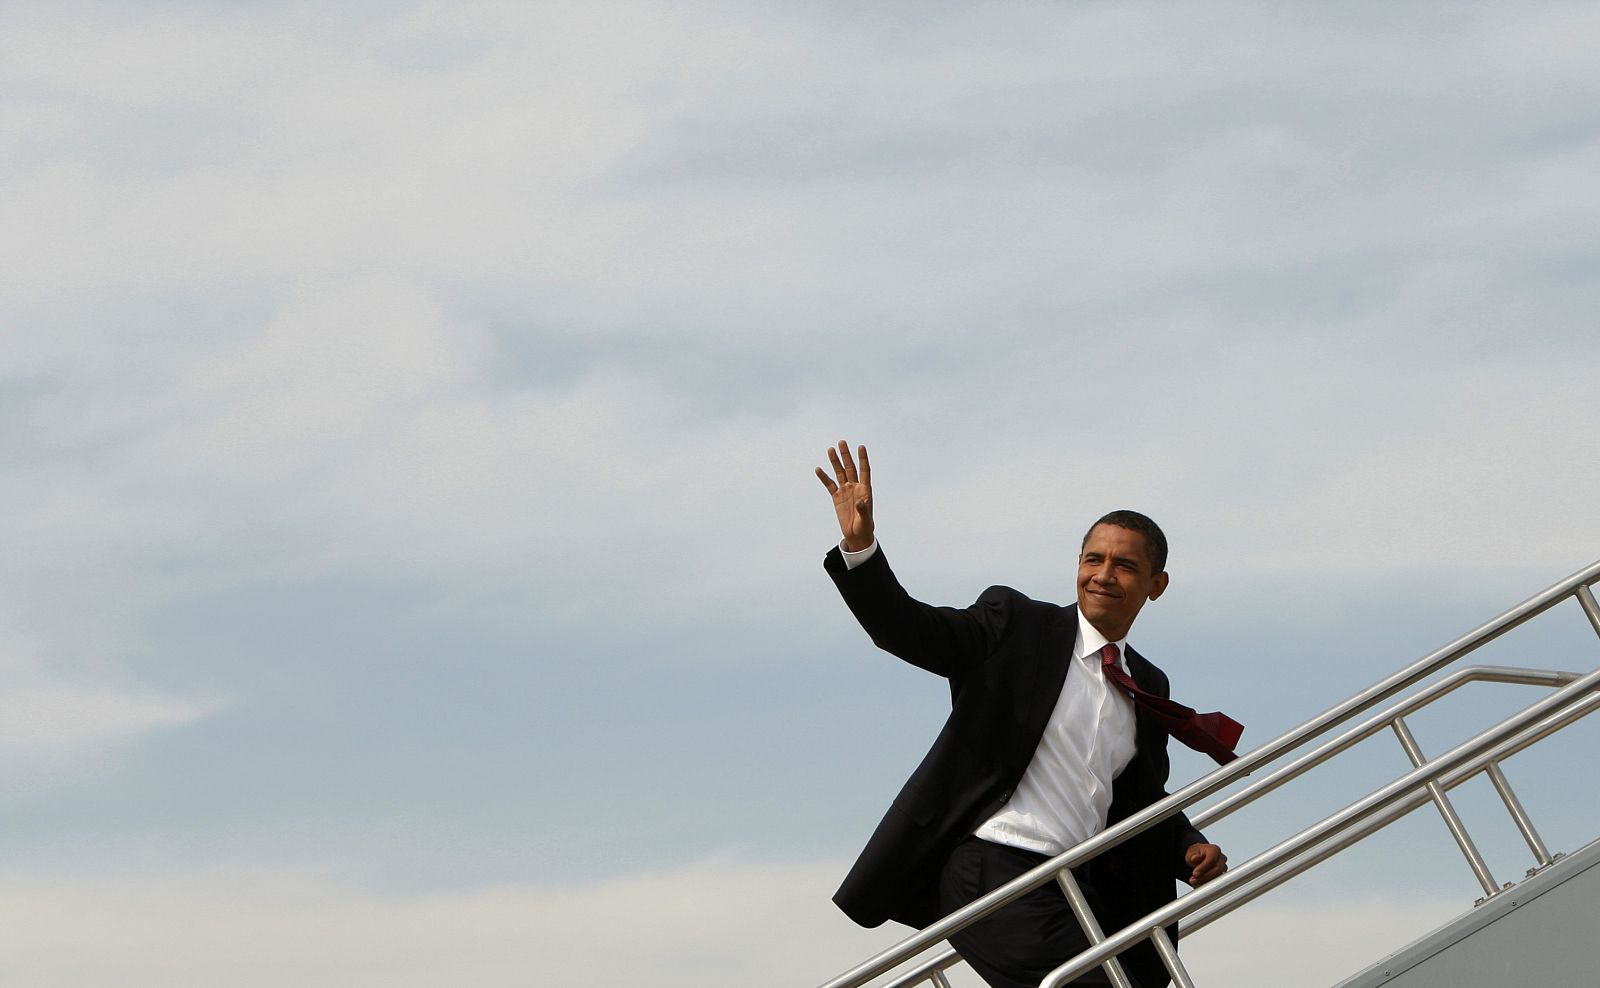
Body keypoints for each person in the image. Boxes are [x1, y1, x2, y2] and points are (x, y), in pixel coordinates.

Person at [815, 440, 1233, 988]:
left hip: (1077, 883)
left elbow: (1138, 797)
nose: (1104, 575)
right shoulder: (1015, 625)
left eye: (1125, 566)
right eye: (1093, 559)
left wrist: (1187, 846)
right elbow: (910, 630)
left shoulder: (1145, 685)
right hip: (993, 867)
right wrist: (862, 547)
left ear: (1156, 586)